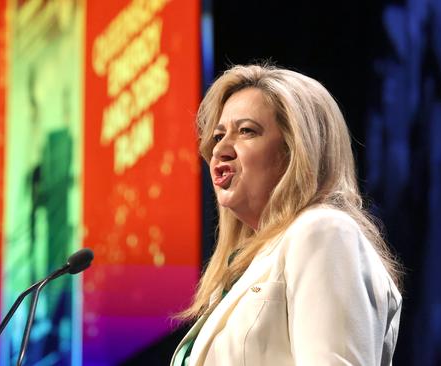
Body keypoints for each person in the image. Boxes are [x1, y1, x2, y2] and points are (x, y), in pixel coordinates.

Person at [171, 64, 403, 366]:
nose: (221, 150)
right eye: (218, 136)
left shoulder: (323, 232)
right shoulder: (237, 275)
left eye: (246, 131)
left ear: (294, 150)